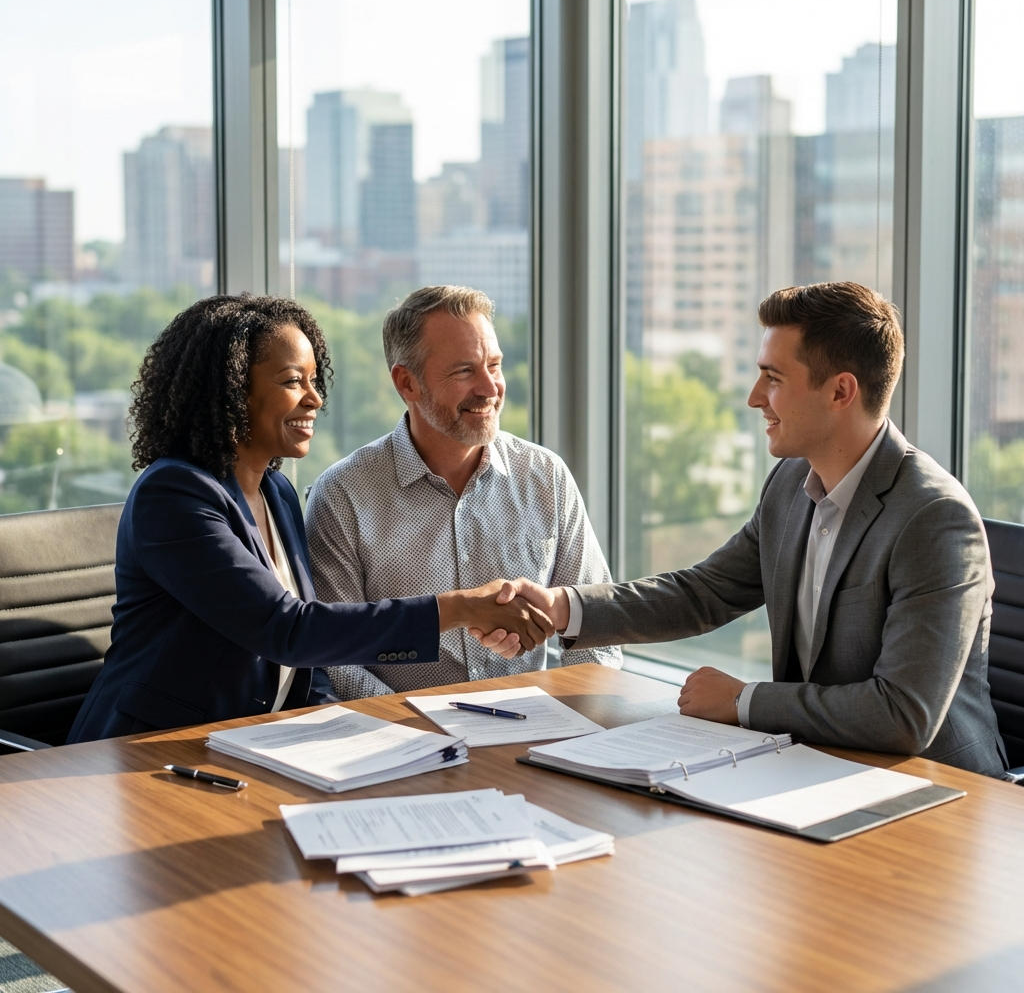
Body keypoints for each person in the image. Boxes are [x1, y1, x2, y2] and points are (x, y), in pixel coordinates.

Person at [494, 282, 1008, 777]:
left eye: (774, 378)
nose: (754, 397)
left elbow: (903, 714)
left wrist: (743, 701)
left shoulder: (933, 519)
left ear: (840, 391)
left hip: (939, 789)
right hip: (822, 768)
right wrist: (561, 607)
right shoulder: (790, 483)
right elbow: (704, 593)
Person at [68, 293, 553, 743]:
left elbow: (311, 666)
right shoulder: (172, 495)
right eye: (292, 381)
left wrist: (361, 738)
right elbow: (288, 631)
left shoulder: (277, 492)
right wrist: (461, 607)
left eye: (314, 380)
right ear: (232, 390)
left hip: (252, 739)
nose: (315, 398)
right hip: (148, 750)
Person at [305, 285, 620, 700]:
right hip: (403, 743)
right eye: (464, 371)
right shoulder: (343, 495)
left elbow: (595, 632)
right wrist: (421, 737)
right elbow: (337, 659)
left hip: (533, 729)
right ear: (407, 383)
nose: (490, 389)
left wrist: (573, 721)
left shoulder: (546, 476)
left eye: (495, 365)